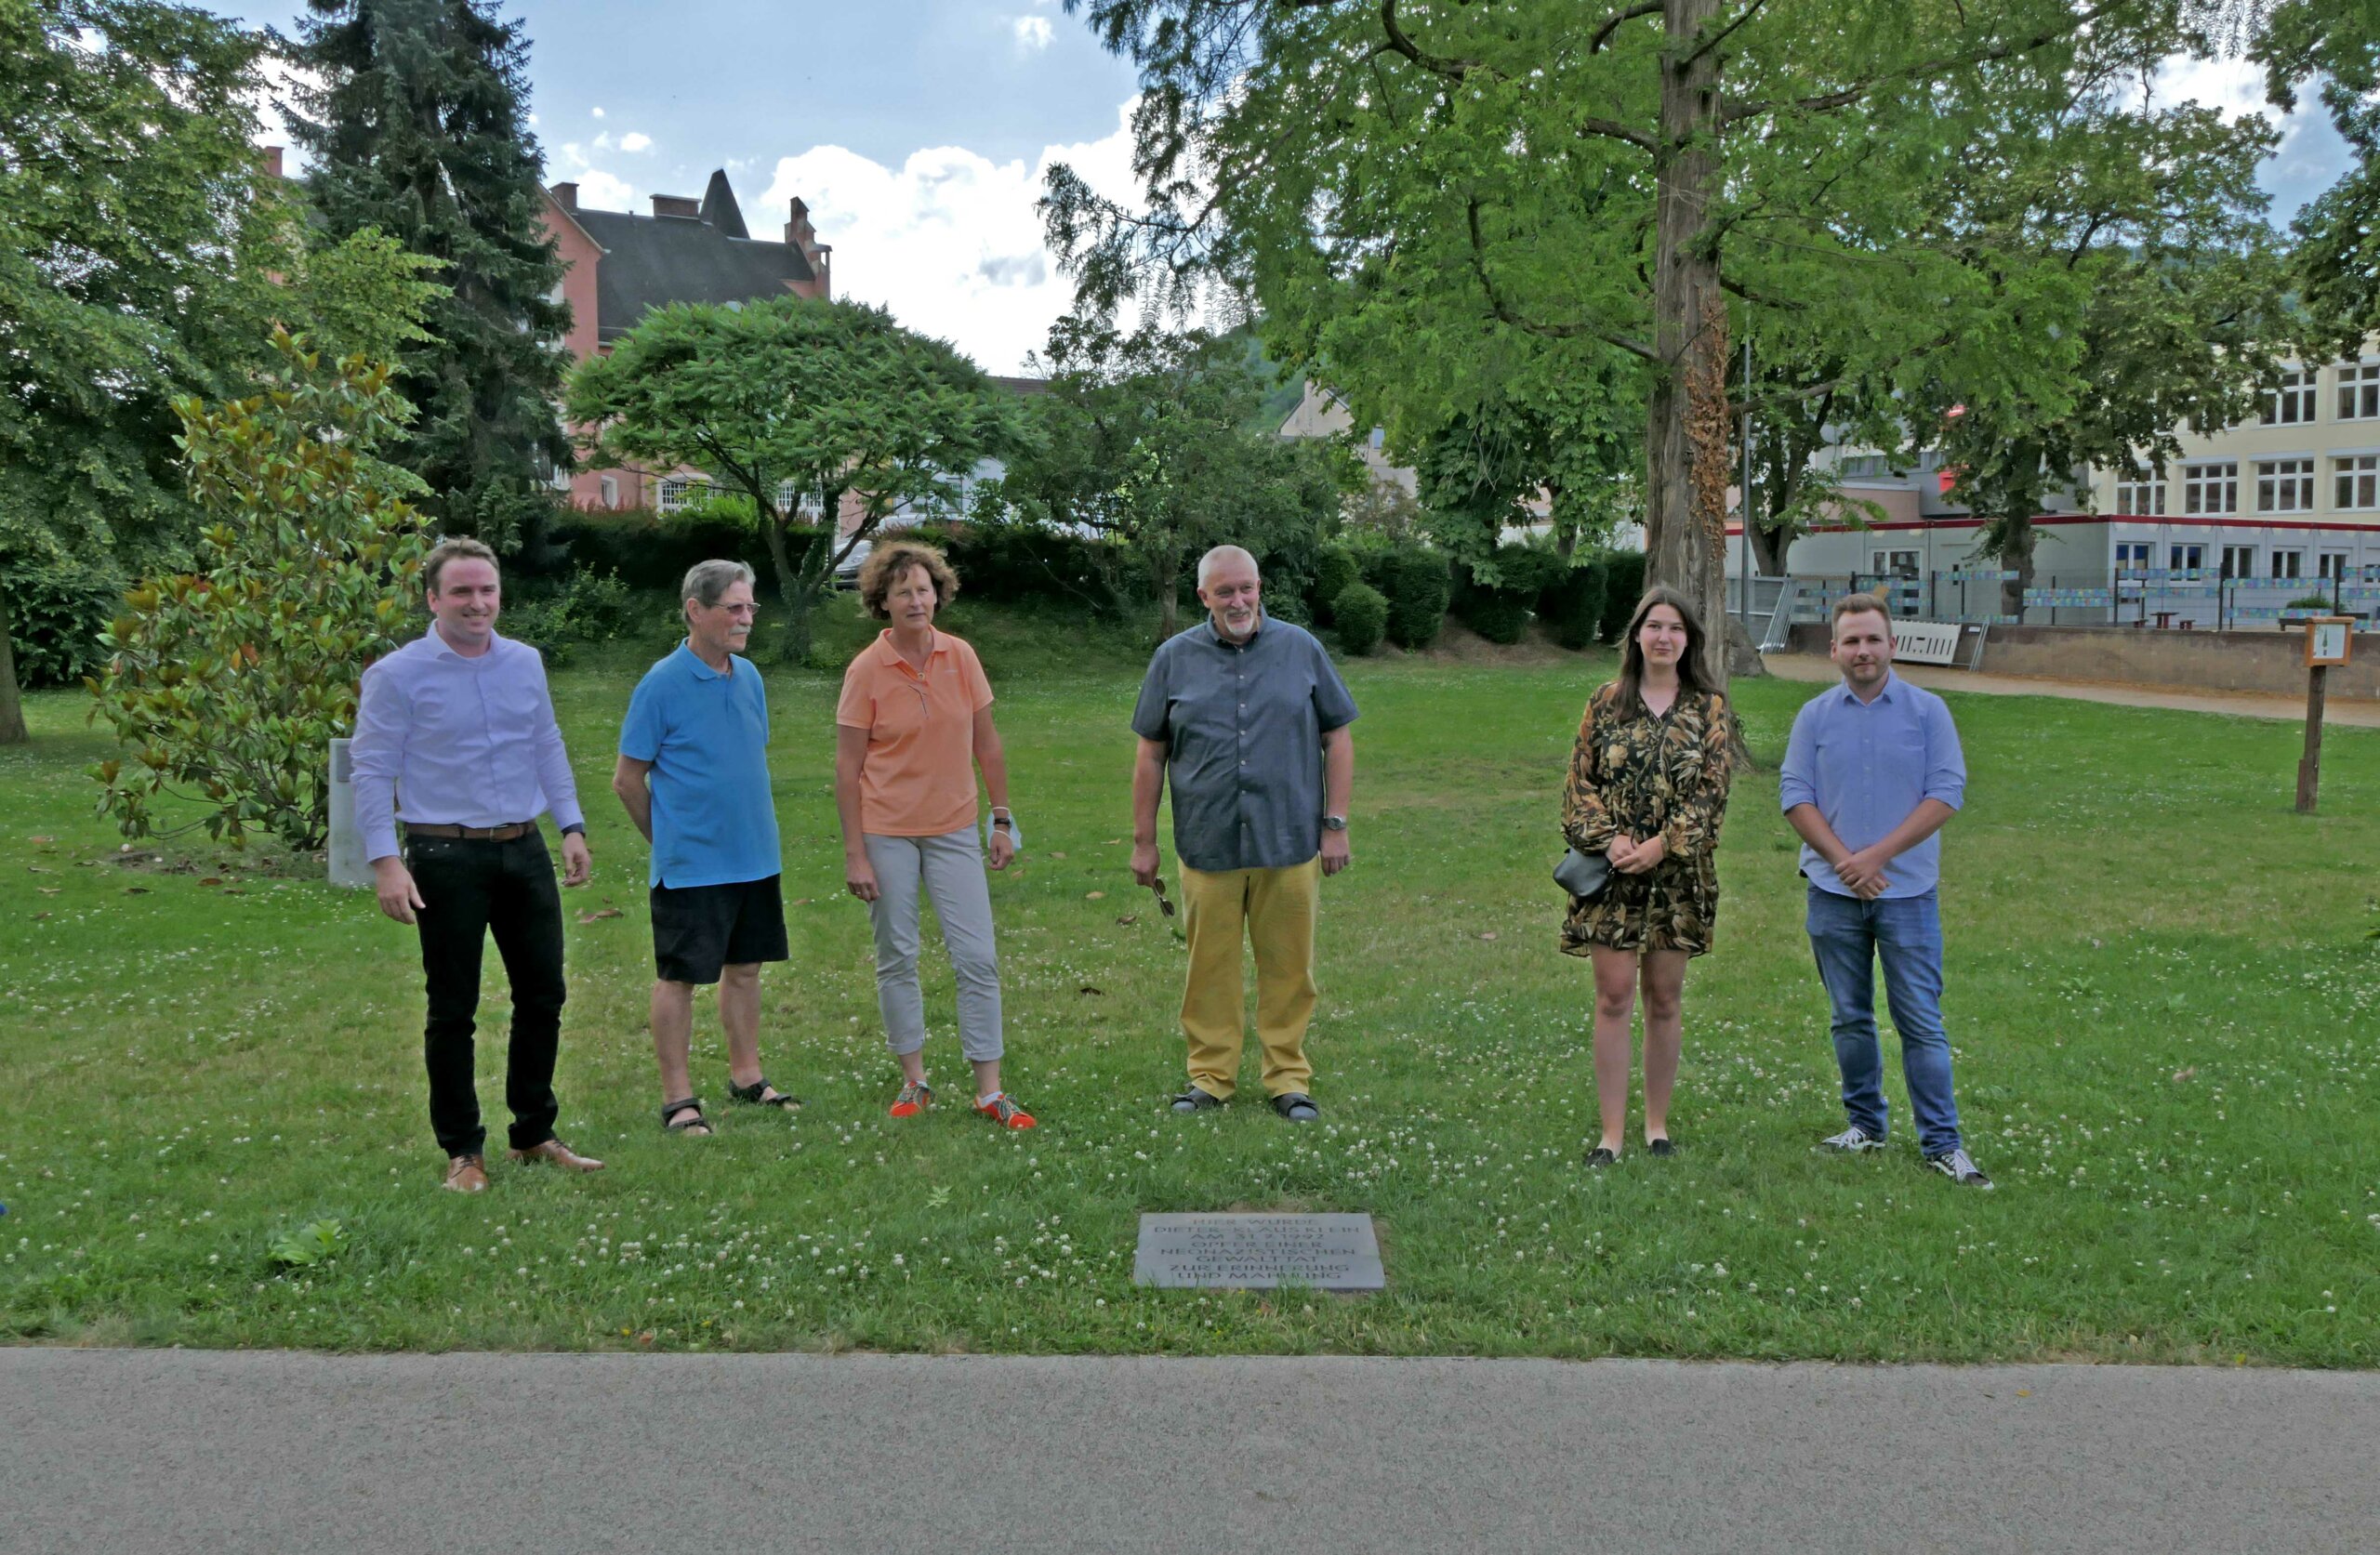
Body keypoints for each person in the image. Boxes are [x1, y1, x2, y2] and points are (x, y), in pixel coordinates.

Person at [351, 536, 605, 1193]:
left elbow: (545, 743)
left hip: (523, 847)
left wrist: (571, 824)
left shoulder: (524, 663)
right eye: (461, 591)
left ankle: (533, 1132)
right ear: (433, 598)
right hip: (444, 854)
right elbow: (372, 772)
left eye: (486, 589)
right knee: (453, 1007)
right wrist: (386, 862)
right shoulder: (397, 674)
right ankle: (463, 1150)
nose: (476, 602)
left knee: (544, 993)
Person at [1130, 544, 1357, 1122]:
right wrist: (1143, 840)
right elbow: (1151, 754)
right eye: (1224, 591)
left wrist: (1335, 825)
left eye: (1246, 588)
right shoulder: (1172, 659)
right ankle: (1210, 1077)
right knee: (1210, 969)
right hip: (1208, 844)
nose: (1238, 600)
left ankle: (1287, 1079)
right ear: (1204, 596)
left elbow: (1338, 737)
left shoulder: (1301, 648)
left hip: (1289, 842)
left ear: (1260, 588)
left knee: (1289, 968)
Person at [1779, 593, 1992, 1188]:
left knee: (1920, 1020)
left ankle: (1942, 1144)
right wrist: (1847, 862)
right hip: (1832, 892)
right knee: (1850, 1018)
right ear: (1834, 650)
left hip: (1908, 894)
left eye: (1873, 639)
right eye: (1851, 640)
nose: (1863, 650)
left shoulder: (1928, 713)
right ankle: (1866, 1125)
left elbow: (1946, 791)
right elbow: (1795, 795)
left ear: (1891, 645)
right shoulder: (1814, 717)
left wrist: (1878, 856)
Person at [833, 541, 1034, 1128]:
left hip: (953, 829)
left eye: (923, 589)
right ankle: (914, 1080)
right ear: (882, 601)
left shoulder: (961, 656)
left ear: (938, 594)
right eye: (902, 592)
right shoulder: (865, 670)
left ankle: (989, 1090)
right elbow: (847, 768)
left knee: (977, 957)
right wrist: (856, 854)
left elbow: (987, 743)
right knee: (897, 955)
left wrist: (1001, 818)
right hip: (886, 831)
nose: (916, 600)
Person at [614, 560, 799, 1137]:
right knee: (680, 977)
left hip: (755, 857)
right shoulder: (661, 684)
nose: (746, 620)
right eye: (734, 609)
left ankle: (747, 1076)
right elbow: (627, 779)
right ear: (696, 610)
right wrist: (669, 842)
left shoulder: (749, 677)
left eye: (750, 609)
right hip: (692, 867)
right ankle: (679, 1099)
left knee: (744, 971)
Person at [1559, 586, 1737, 1168]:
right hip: (1611, 876)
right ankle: (1611, 1134)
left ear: (1690, 641)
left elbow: (1712, 795)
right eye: (1654, 626)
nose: (1664, 637)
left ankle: (1656, 1126)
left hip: (1677, 878)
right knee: (1613, 999)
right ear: (1636, 634)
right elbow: (1578, 787)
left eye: (1676, 629)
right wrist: (1612, 841)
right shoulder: (1606, 702)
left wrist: (1661, 846)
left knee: (1665, 998)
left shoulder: (1709, 708)